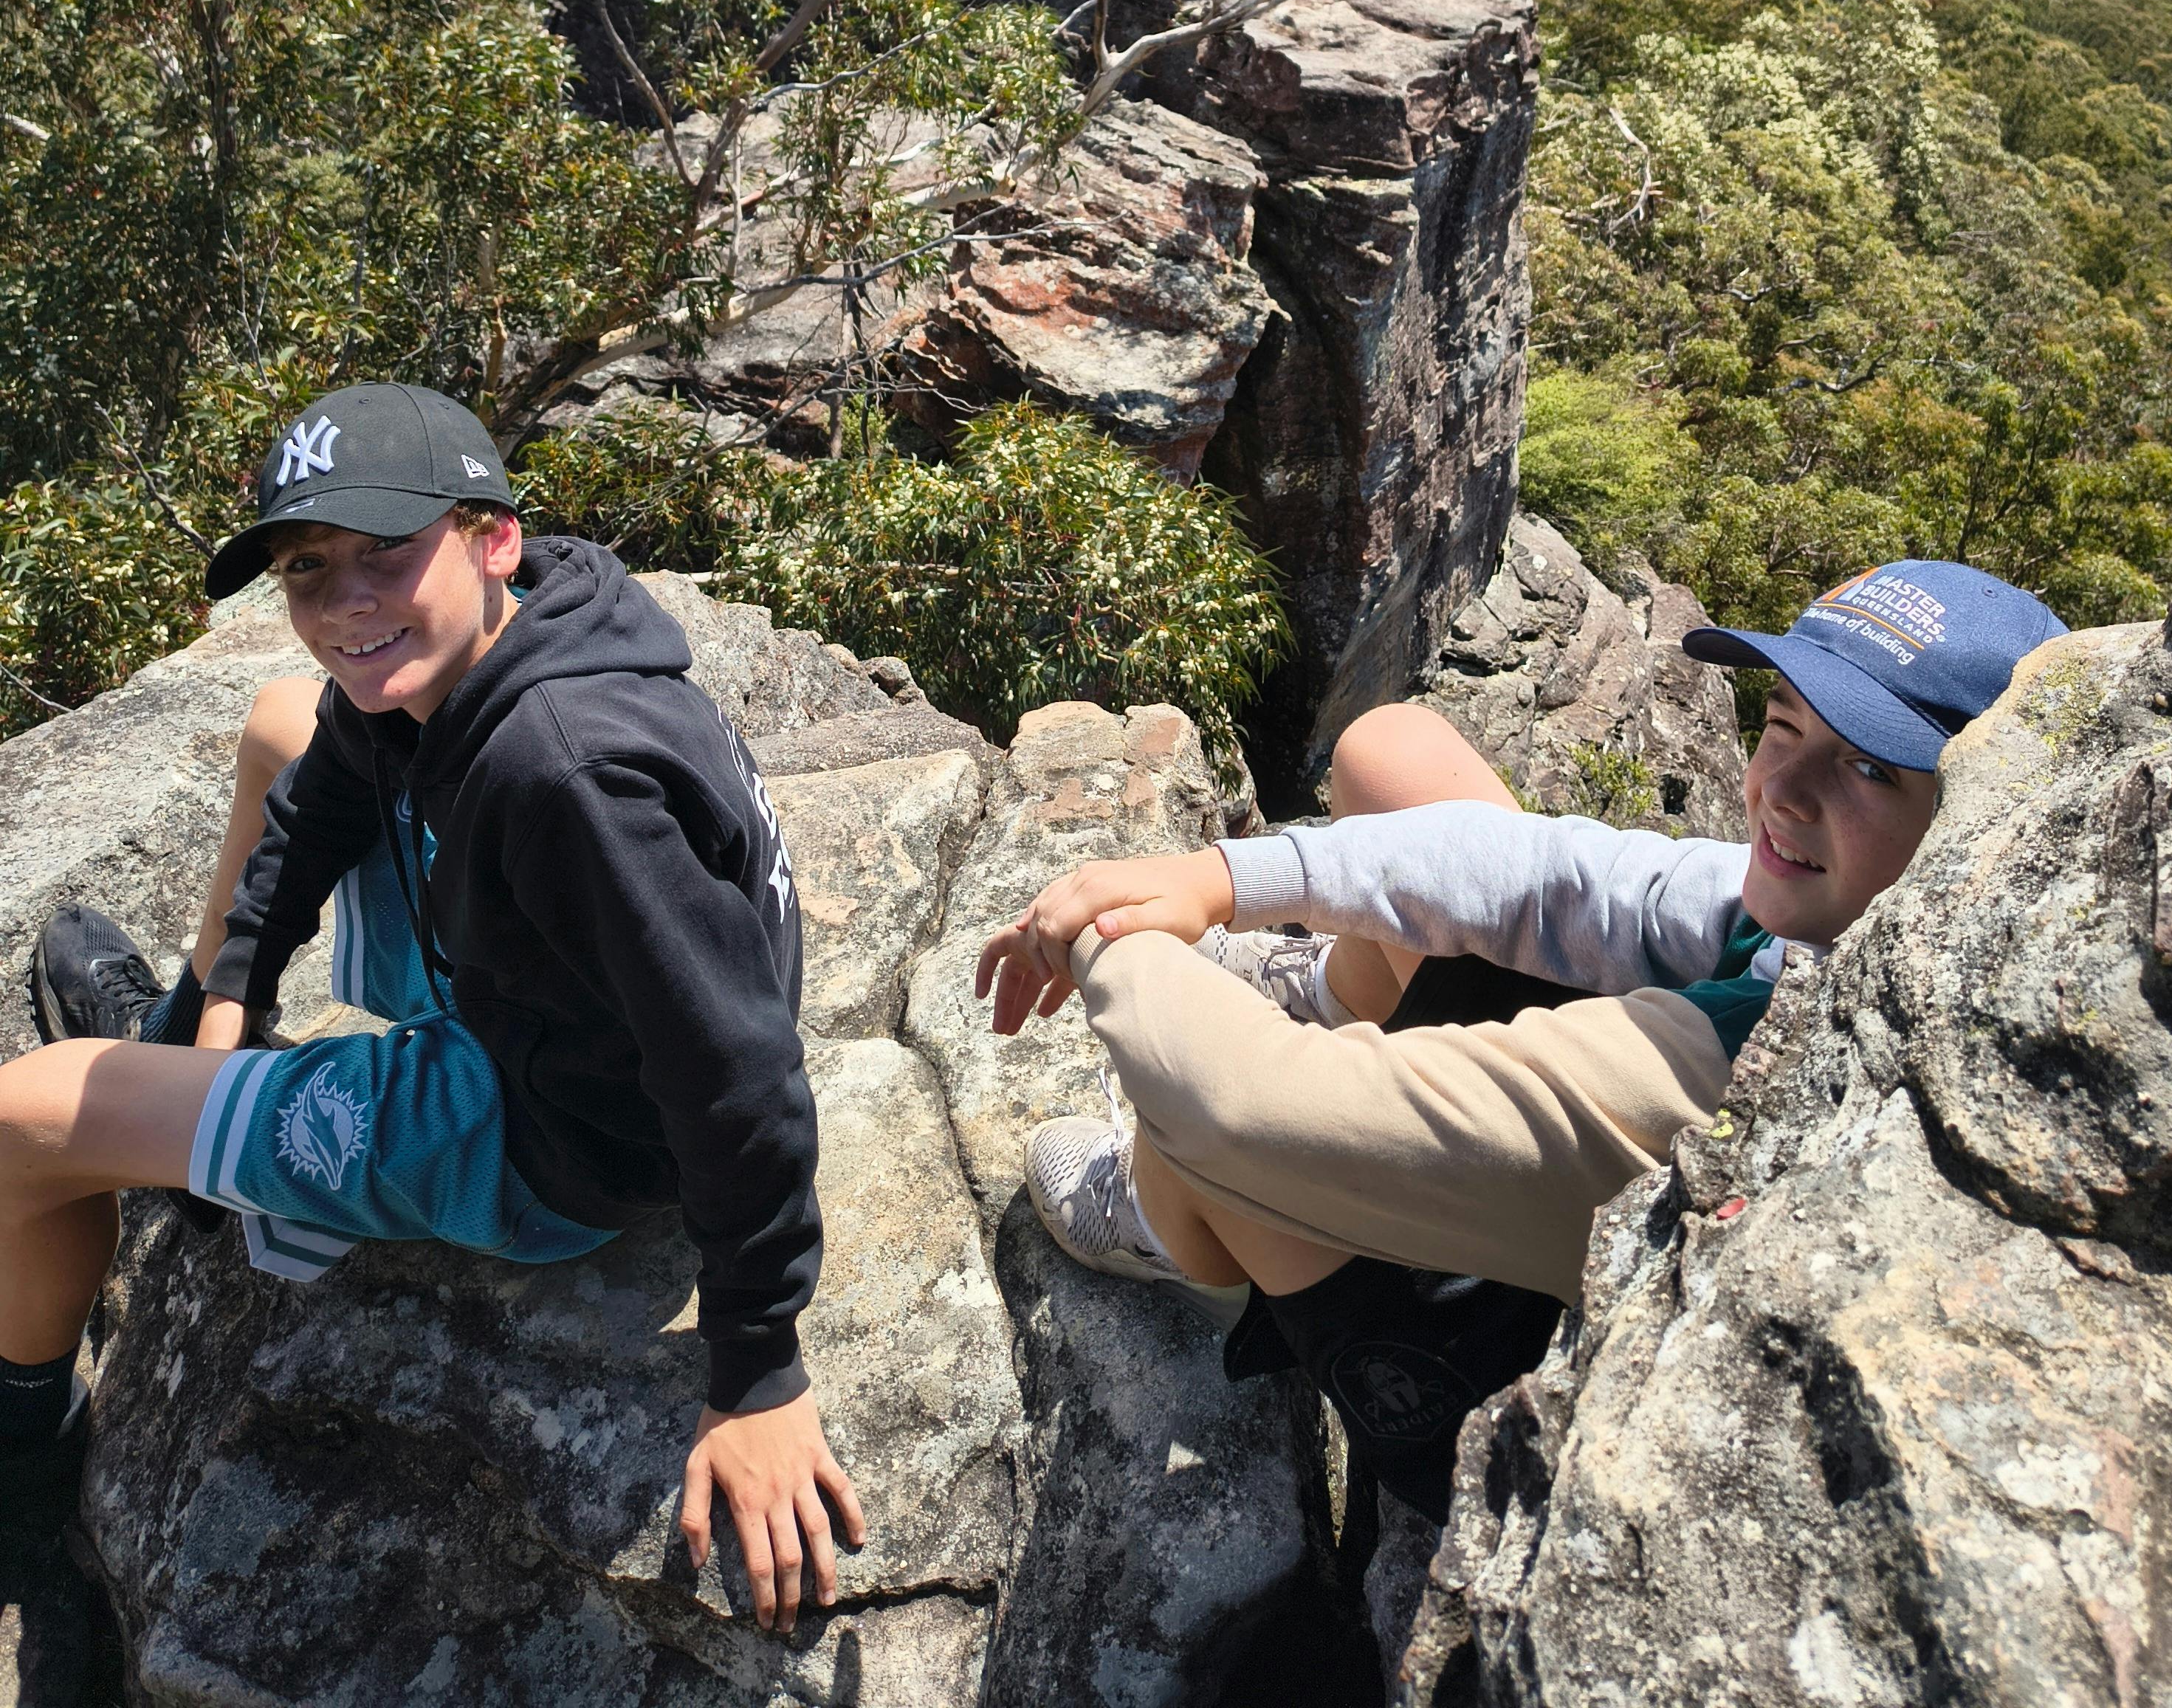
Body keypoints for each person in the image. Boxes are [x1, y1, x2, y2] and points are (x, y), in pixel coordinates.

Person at [2, 383, 862, 1627]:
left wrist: (761, 1370)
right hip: (554, 986)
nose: (347, 603)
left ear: (490, 535)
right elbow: (337, 769)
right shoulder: (532, 619)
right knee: (280, 720)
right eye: (309, 570)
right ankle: (183, 1045)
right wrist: (240, 978)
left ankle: (27, 1435)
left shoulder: (566, 780)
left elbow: (739, 1078)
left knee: (29, 1123)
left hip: (553, 1138)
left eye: (386, 555)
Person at [977, 559, 2065, 1521]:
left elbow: (1248, 1102)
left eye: (1870, 769)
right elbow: (1547, 871)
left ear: (1977, 821)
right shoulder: (1825, 923)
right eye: (1783, 724)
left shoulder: (1753, 1055)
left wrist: (1101, 937)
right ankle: (1326, 991)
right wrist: (1218, 880)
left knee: (1197, 1111)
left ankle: (1181, 1231)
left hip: (1482, 1405)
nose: (1782, 788)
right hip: (1563, 1220)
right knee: (1393, 757)